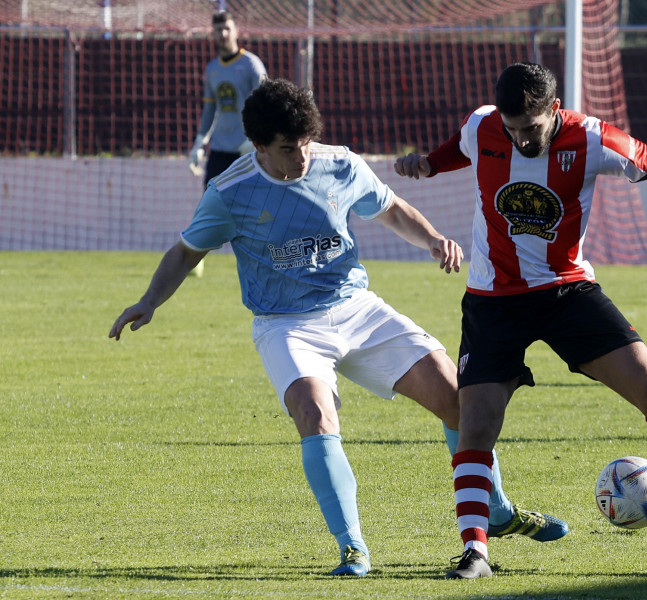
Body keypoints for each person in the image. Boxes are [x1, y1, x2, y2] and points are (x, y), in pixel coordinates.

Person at [110, 78, 568, 578]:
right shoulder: (230, 192)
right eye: (288, 148)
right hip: (286, 325)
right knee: (313, 410)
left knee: (457, 396)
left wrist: (434, 239)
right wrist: (149, 300)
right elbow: (185, 251)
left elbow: (389, 207)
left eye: (306, 141)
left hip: (356, 308)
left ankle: (496, 512)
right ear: (260, 146)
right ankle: (353, 549)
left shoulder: (339, 163)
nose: (302, 156)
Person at [394, 62, 647, 579]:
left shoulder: (594, 139)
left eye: (530, 130)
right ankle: (476, 553)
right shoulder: (482, 124)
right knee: (476, 425)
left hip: (567, 292)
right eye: (511, 130)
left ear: (554, 111)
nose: (519, 141)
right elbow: (459, 148)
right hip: (493, 300)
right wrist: (428, 164)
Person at [188, 10, 267, 277]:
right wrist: (200, 141)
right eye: (217, 30)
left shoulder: (252, 65)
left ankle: (266, 259)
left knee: (258, 207)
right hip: (220, 150)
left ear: (236, 30)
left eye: (227, 29)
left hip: (249, 151)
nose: (222, 34)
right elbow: (211, 111)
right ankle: (195, 260)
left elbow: (266, 105)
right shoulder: (212, 69)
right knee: (208, 204)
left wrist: (256, 140)